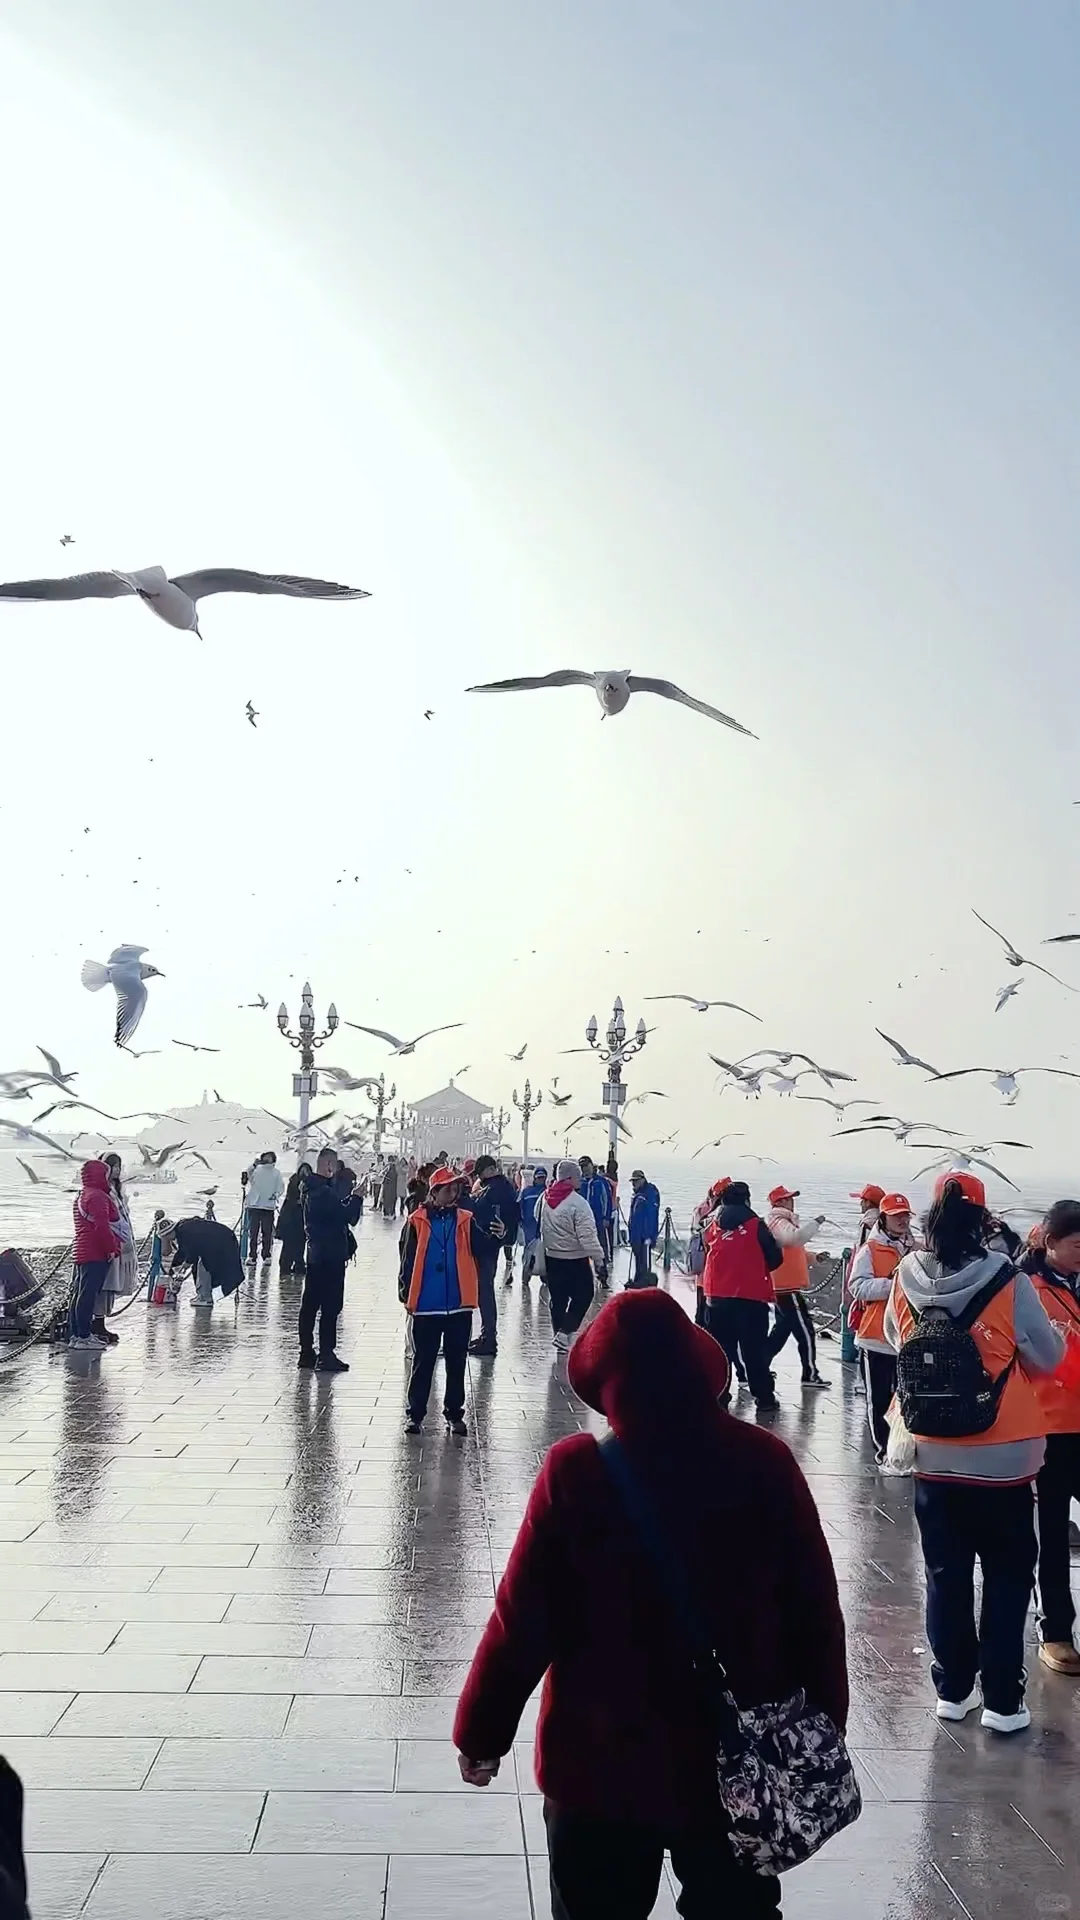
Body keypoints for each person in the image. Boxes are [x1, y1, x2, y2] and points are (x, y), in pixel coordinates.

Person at [453, 1289, 848, 1920]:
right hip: (736, 1757)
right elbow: (816, 1615)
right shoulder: (763, 1461)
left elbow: (521, 1619)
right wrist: (821, 1724)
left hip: (598, 1759)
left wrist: (482, 1729)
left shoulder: (575, 1472)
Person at [885, 1170, 1062, 1733]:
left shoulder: (905, 1275)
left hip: (931, 1452)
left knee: (945, 1573)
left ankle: (953, 1690)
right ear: (985, 1218)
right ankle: (1004, 1703)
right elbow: (1048, 1358)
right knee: (1009, 1576)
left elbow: (895, 1338)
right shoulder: (1010, 1280)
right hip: (1005, 1456)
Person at [1021, 1199, 1080, 1677]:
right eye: (1078, 1244)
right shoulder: (1027, 1289)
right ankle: (1055, 1629)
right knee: (1052, 1532)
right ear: (1051, 1242)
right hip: (1048, 1427)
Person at [399, 1166, 494, 1435]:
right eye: (449, 1188)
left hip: (458, 1304)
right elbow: (406, 1258)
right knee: (423, 1361)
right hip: (427, 1305)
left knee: (456, 1361)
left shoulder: (466, 1219)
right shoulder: (416, 1221)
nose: (454, 1193)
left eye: (457, 1188)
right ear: (435, 1192)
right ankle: (415, 1415)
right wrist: (406, 1292)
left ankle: (454, 1414)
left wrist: (498, 1236)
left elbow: (483, 1247)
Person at [701, 1181, 783, 1411]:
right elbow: (775, 1258)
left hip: (716, 1295)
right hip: (750, 1296)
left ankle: (719, 1395)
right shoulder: (756, 1225)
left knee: (721, 1350)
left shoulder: (713, 1223)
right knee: (753, 1351)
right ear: (747, 1200)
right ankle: (764, 1397)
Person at [848, 1192, 916, 1463]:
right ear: (884, 1218)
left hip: (908, 1337)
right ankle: (883, 1450)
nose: (901, 1220)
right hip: (875, 1336)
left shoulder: (918, 1249)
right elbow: (857, 1286)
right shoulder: (871, 1249)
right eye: (896, 1215)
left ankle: (903, 1449)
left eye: (905, 1215)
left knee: (906, 1398)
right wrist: (894, 1285)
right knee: (878, 1399)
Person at [299, 1147, 362, 1372]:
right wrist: (357, 1197)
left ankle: (306, 1352)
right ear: (328, 1166)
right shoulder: (324, 1192)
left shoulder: (310, 1189)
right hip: (331, 1255)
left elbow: (332, 1214)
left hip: (315, 1254)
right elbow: (348, 1217)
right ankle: (326, 1354)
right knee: (330, 1305)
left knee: (310, 1305)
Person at [764, 1186, 828, 1387]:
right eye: (788, 1198)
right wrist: (815, 1223)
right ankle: (809, 1374)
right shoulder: (778, 1221)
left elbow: (793, 1249)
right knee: (805, 1331)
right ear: (780, 1202)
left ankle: (759, 1366)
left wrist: (813, 1257)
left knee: (781, 1332)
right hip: (786, 1287)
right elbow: (795, 1239)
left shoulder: (782, 1222)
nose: (792, 1201)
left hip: (784, 1285)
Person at [540, 1160, 606, 1351]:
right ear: (569, 1178)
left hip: (552, 1257)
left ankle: (559, 1336)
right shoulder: (578, 1203)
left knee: (558, 1299)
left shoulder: (544, 1198)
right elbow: (587, 1236)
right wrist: (598, 1259)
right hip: (575, 1259)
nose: (581, 1180)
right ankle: (565, 1332)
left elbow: (538, 1222)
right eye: (578, 1176)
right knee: (585, 1295)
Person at [69, 1159, 124, 1350]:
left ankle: (77, 1335)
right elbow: (102, 1226)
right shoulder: (98, 1197)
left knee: (80, 1294)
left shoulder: (83, 1194)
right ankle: (84, 1336)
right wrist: (110, 1248)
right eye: (106, 1173)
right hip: (95, 1252)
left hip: (83, 1249)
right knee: (88, 1295)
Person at [465, 1156, 516, 1357]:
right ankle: (487, 1335)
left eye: (481, 1172)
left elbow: (507, 1217)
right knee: (483, 1292)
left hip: (488, 1246)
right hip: (485, 1245)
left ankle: (489, 1339)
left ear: (492, 1169)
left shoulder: (499, 1188)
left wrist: (504, 1234)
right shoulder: (491, 1186)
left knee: (485, 1292)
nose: (478, 1176)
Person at [92, 1151, 139, 1346]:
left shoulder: (118, 1190)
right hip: (110, 1243)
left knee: (111, 1284)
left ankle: (100, 1322)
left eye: (119, 1165)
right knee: (104, 1284)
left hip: (121, 1243)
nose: (117, 1169)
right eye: (113, 1165)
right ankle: (97, 1323)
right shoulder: (102, 1191)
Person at [156, 1214, 245, 1303]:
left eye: (166, 1237)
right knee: (201, 1266)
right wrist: (174, 1267)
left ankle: (205, 1298)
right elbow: (183, 1251)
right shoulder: (182, 1229)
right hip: (225, 1239)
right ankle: (202, 1295)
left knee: (203, 1266)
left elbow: (192, 1252)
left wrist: (186, 1264)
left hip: (221, 1244)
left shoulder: (184, 1233)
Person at [245, 1151, 284, 1271]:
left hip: (268, 1207)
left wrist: (275, 1195)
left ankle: (266, 1255)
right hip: (254, 1205)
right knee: (253, 1232)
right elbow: (248, 1174)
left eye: (270, 1158)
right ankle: (252, 1255)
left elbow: (280, 1187)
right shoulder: (257, 1170)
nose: (267, 1160)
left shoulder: (276, 1173)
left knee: (267, 1232)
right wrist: (254, 1165)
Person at [579, 1157, 614, 1284]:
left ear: (591, 1165)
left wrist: (606, 1217)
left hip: (598, 1220)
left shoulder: (601, 1182)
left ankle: (602, 1274)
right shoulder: (580, 1182)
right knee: (582, 1248)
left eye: (586, 1166)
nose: (584, 1169)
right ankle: (584, 1276)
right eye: (582, 1167)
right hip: (582, 1221)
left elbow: (607, 1200)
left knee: (600, 1247)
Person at [626, 1169, 660, 1288]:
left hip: (644, 1235)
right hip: (636, 1233)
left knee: (644, 1260)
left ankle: (644, 1283)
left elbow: (652, 1216)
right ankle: (638, 1279)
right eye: (632, 1182)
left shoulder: (650, 1193)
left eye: (636, 1181)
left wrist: (649, 1235)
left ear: (642, 1179)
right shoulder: (636, 1195)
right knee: (638, 1259)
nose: (634, 1184)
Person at [276, 1164, 311, 1275]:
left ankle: (298, 1265)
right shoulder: (294, 1181)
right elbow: (290, 1197)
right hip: (292, 1218)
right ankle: (287, 1265)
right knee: (290, 1243)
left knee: (300, 1243)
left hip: (301, 1219)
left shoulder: (310, 1183)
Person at [519, 1166, 548, 1281]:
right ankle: (525, 1278)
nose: (540, 1180)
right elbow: (519, 1207)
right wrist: (520, 1221)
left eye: (542, 1178)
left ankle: (544, 1278)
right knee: (529, 1254)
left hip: (544, 1228)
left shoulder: (548, 1192)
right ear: (534, 1178)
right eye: (538, 1177)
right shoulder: (526, 1192)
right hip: (529, 1228)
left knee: (543, 1254)